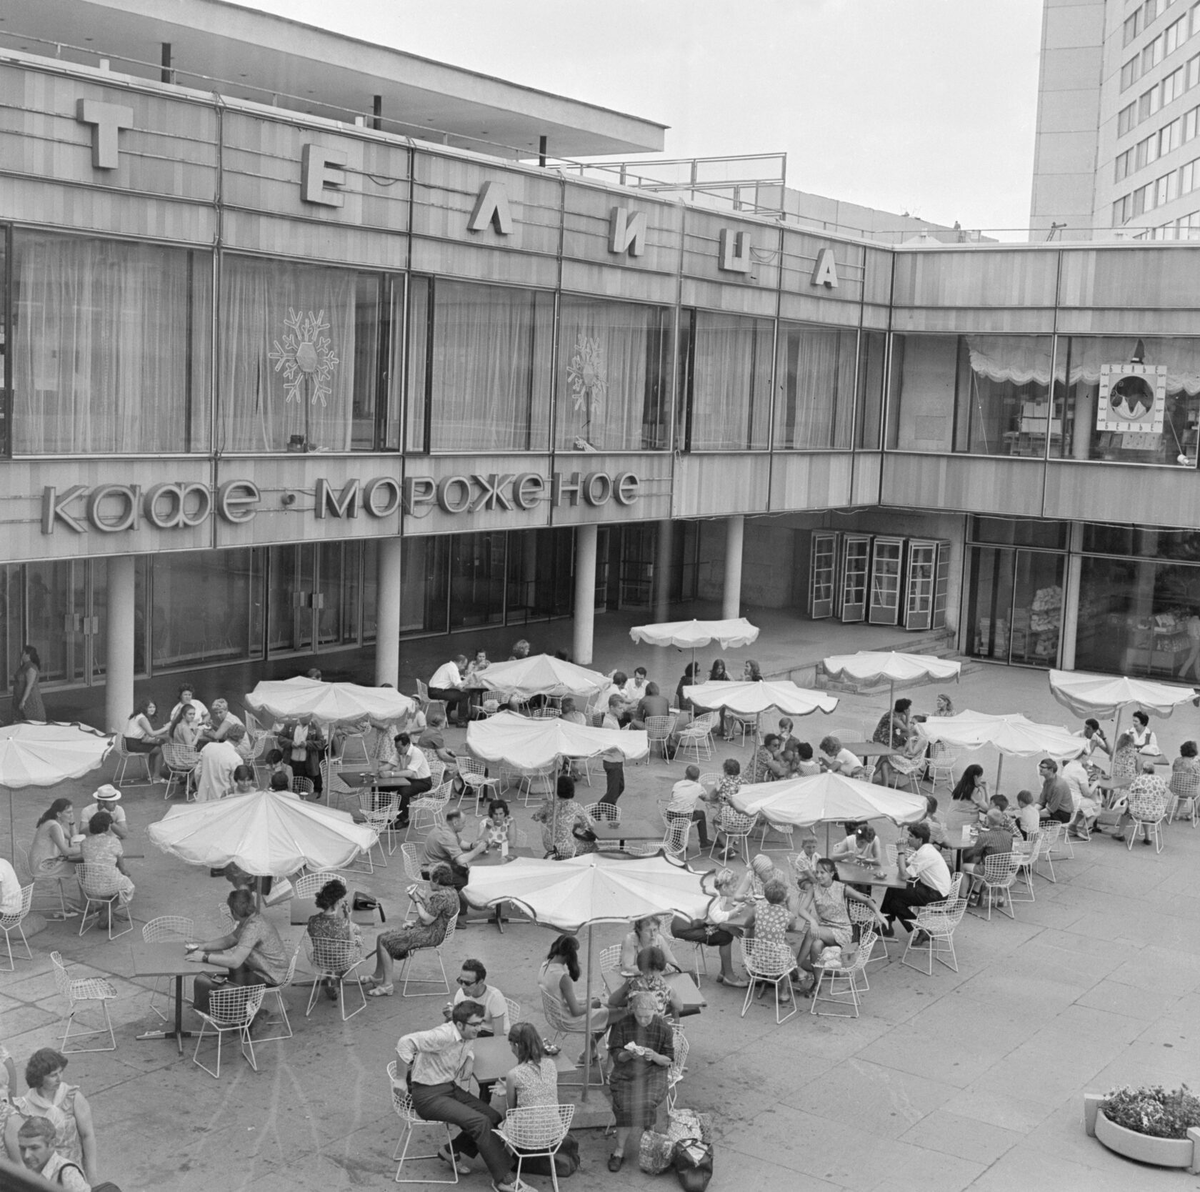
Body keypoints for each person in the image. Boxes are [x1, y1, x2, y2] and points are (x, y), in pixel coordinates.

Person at [395, 1001, 517, 1191]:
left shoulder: (466, 1032)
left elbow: (469, 1046)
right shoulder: (443, 1035)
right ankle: (504, 1179)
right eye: (474, 1025)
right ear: (459, 1025)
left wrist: (469, 1058)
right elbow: (405, 1042)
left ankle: (451, 1150)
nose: (479, 1029)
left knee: (493, 1118)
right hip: (428, 1096)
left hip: (448, 1087)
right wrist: (401, 1079)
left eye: (480, 1023)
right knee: (479, 1122)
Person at [186, 887, 290, 1017]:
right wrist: (203, 946)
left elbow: (235, 961)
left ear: (233, 911)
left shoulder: (253, 927)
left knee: (221, 986)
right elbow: (230, 939)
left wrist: (204, 957)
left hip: (270, 974)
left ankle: (246, 1017)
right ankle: (239, 1012)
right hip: (261, 966)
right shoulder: (251, 918)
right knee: (217, 977)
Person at [3, 1049, 97, 1186]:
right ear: (39, 1077)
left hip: (72, 1174)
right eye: (53, 1075)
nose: (59, 1078)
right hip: (43, 1180)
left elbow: (87, 1136)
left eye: (60, 1072)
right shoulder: (23, 1108)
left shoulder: (73, 1097)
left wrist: (92, 1175)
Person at [365, 862, 459, 997]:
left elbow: (426, 919)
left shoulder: (441, 896)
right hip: (436, 930)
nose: (429, 882)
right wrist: (424, 899)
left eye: (431, 879)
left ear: (437, 880)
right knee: (381, 937)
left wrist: (416, 900)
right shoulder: (451, 892)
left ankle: (387, 985)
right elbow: (435, 913)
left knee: (384, 940)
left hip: (431, 934)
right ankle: (377, 976)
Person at [605, 990, 675, 1173]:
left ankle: (649, 1141)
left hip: (653, 1071)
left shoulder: (664, 1028)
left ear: (655, 1011)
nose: (643, 1020)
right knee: (625, 1103)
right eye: (639, 1016)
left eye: (647, 1016)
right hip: (627, 1071)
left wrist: (655, 1056)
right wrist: (628, 1054)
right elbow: (616, 1055)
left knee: (647, 1100)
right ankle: (619, 1151)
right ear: (633, 1012)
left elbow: (668, 1060)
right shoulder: (623, 1024)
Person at [796, 858, 886, 987]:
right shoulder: (814, 888)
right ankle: (816, 984)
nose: (818, 875)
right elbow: (801, 910)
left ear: (832, 874)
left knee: (811, 932)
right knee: (816, 945)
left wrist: (879, 914)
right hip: (825, 929)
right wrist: (812, 920)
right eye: (817, 872)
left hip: (843, 932)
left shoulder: (841, 888)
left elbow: (866, 900)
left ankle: (793, 968)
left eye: (822, 872)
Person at [537, 935, 620, 1062]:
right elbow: (575, 1011)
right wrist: (591, 1004)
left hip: (557, 1015)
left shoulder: (545, 965)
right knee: (620, 1013)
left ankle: (589, 1052)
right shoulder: (563, 977)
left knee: (610, 1008)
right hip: (568, 1020)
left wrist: (587, 1001)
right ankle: (605, 1060)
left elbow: (562, 998)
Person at [670, 867, 749, 987]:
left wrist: (729, 927)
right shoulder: (715, 897)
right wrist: (735, 912)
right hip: (683, 928)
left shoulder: (718, 892)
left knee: (726, 935)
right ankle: (728, 976)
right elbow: (717, 918)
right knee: (725, 937)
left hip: (691, 923)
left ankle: (724, 973)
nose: (735, 889)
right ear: (724, 887)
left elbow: (712, 919)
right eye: (733, 886)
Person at [879, 822, 951, 936]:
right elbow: (905, 865)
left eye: (911, 836)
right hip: (932, 888)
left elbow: (904, 875)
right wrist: (902, 858)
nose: (908, 838)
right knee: (893, 892)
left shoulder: (925, 853)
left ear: (920, 840)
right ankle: (886, 925)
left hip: (936, 895)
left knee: (895, 899)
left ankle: (890, 926)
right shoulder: (924, 849)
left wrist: (901, 851)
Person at [306, 878, 363, 1001]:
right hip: (342, 960)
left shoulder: (312, 920)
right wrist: (348, 918)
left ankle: (330, 979)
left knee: (329, 946)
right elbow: (352, 944)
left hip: (321, 958)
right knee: (358, 940)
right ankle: (338, 982)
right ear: (338, 901)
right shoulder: (345, 924)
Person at [423, 809, 488, 915]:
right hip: (431, 870)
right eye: (463, 823)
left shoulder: (446, 827)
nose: (465, 825)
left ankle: (457, 908)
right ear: (455, 822)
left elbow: (461, 843)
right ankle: (457, 914)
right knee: (464, 880)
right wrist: (477, 850)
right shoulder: (447, 835)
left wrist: (472, 846)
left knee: (465, 872)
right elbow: (461, 860)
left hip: (437, 864)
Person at [609, 945, 683, 1021]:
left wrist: (631, 999)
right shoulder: (666, 988)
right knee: (674, 1011)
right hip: (656, 1029)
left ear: (640, 967)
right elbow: (680, 1007)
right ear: (661, 968)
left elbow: (612, 1001)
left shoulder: (631, 983)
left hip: (631, 1027)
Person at [15, 1116, 90, 1191]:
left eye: (34, 1148)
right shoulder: (24, 1174)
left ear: (52, 1144)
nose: (26, 1155)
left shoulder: (68, 1175)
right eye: (22, 1148)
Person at [532, 774, 597, 860]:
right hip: (566, 846)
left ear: (557, 789)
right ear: (572, 790)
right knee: (594, 845)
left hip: (548, 843)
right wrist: (581, 825)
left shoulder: (550, 803)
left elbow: (536, 817)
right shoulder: (575, 806)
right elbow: (590, 823)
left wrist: (546, 818)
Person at [79, 812, 134, 913]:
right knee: (128, 886)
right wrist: (126, 873)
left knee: (104, 877)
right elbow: (122, 868)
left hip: (90, 885)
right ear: (107, 827)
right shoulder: (114, 842)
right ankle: (108, 910)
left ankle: (105, 910)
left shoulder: (84, 843)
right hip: (110, 884)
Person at [960, 809, 1016, 905]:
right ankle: (974, 895)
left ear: (988, 821)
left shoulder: (984, 836)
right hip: (1004, 872)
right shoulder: (1009, 835)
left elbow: (976, 853)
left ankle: (961, 898)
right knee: (984, 863)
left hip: (988, 872)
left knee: (965, 866)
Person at [380, 733, 433, 824]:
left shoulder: (416, 753)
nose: (397, 750)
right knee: (383, 786)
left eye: (399, 747)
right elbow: (391, 764)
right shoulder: (400, 751)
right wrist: (380, 770)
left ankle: (404, 819)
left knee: (404, 791)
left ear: (407, 745)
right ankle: (383, 815)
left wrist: (391, 774)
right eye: (396, 747)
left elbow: (409, 773)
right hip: (409, 779)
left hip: (423, 781)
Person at [505, 1021, 559, 1110]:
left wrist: (509, 1089)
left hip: (526, 1124)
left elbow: (511, 1109)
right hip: (555, 1123)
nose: (511, 1049)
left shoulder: (513, 1075)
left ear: (516, 1045)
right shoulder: (551, 1064)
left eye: (511, 1045)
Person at [193, 724, 246, 802]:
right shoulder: (237, 759)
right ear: (241, 739)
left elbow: (197, 773)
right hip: (223, 800)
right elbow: (235, 785)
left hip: (203, 797)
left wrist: (200, 790)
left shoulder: (208, 747)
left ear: (227, 734)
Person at [29, 798, 81, 874]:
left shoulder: (56, 822)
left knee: (80, 864)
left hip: (45, 861)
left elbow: (73, 838)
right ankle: (86, 886)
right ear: (59, 814)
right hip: (42, 866)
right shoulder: (53, 826)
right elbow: (66, 851)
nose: (71, 815)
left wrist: (72, 822)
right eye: (68, 812)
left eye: (72, 812)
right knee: (82, 866)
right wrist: (84, 848)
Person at [665, 764, 711, 849]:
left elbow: (672, 797)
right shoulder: (698, 787)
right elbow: (706, 798)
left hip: (670, 815)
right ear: (697, 777)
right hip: (685, 817)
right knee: (701, 814)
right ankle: (703, 841)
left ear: (685, 774)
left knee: (678, 812)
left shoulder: (677, 784)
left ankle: (676, 842)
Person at [123, 698, 168, 780]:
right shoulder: (142, 718)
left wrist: (157, 738)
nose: (152, 709)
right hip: (133, 744)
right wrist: (166, 728)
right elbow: (151, 733)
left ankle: (150, 774)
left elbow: (147, 735)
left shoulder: (138, 716)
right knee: (159, 750)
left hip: (129, 742)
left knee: (155, 747)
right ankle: (156, 777)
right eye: (149, 707)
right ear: (144, 708)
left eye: (153, 707)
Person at [428, 655, 471, 727]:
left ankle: (448, 716)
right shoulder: (452, 669)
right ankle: (461, 721)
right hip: (436, 691)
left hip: (433, 690)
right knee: (464, 696)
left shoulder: (448, 665)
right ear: (460, 662)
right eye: (464, 665)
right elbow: (460, 686)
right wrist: (468, 678)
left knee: (456, 694)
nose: (463, 668)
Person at [600, 695, 627, 804]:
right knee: (613, 791)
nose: (622, 710)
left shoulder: (614, 719)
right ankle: (598, 811)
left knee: (618, 788)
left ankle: (603, 810)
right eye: (620, 708)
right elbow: (609, 745)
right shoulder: (608, 723)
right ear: (612, 707)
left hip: (617, 760)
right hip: (612, 761)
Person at [11, 645, 45, 722]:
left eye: (23, 653)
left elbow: (29, 685)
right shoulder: (23, 667)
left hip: (29, 699)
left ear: (28, 655)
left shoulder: (31, 668)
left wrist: (23, 700)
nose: (21, 655)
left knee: (31, 720)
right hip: (18, 698)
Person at [1037, 758, 1073, 824]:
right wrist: (1031, 812)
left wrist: (1033, 815)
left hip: (1061, 815)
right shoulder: (1046, 781)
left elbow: (1051, 809)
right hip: (1053, 810)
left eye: (1043, 767)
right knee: (1024, 820)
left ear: (1050, 770)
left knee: (1031, 821)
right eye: (1040, 766)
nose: (1040, 769)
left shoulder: (1058, 785)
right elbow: (1041, 801)